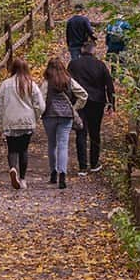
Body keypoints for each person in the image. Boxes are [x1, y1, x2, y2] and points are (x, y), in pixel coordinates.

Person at [0, 56, 46, 190]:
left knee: (12, 149)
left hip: (10, 121)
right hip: (27, 121)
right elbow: (40, 105)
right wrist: (36, 117)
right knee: (23, 150)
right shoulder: (31, 84)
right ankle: (22, 179)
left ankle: (13, 168)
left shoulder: (5, 84)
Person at [67, 38, 116, 174]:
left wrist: (69, 101)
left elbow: (68, 84)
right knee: (95, 133)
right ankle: (94, 163)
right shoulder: (100, 65)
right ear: (93, 51)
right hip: (97, 102)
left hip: (79, 102)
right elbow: (109, 85)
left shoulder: (73, 64)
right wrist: (112, 103)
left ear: (82, 50)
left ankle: (82, 166)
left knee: (81, 133)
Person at [39, 57, 87, 190]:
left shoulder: (46, 83)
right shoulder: (69, 81)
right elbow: (84, 95)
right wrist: (75, 107)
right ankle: (62, 175)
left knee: (52, 144)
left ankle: (53, 172)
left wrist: (40, 114)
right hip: (66, 116)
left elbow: (41, 100)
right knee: (63, 145)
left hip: (49, 116)